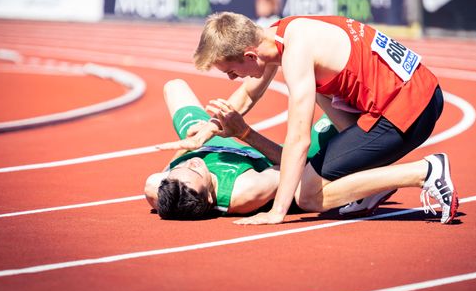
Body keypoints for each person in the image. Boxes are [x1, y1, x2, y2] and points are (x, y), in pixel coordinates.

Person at [193, 12, 459, 225]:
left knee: (307, 194)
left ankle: (425, 172)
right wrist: (209, 129)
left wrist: (277, 211)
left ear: (250, 55)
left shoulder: (296, 54)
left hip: (410, 109)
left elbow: (299, 139)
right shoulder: (281, 32)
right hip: (419, 91)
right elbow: (249, 94)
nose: (231, 78)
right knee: (319, 90)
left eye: (230, 71)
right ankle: (371, 184)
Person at [144, 78, 339, 219]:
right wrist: (244, 133)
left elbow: (175, 86)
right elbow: (296, 166)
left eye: (181, 168)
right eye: (197, 170)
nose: (194, 161)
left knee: (174, 87)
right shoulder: (246, 189)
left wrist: (187, 146)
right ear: (211, 197)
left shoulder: (157, 187)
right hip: (274, 159)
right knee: (341, 111)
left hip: (212, 144)